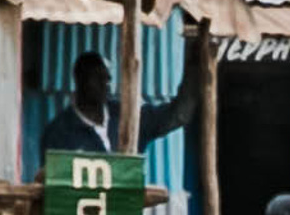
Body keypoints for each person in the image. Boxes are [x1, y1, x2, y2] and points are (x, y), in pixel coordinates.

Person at [37, 49, 199, 162]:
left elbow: (178, 115)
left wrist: (194, 66)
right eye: (97, 78)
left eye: (107, 79)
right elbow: (53, 188)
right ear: (79, 80)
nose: (105, 84)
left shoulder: (127, 116)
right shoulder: (59, 133)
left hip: (126, 210)